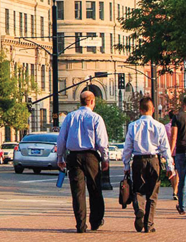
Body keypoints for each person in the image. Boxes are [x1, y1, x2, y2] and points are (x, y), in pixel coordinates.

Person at [57, 91, 110, 233]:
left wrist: (60, 157)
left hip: (73, 157)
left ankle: (80, 224)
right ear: (92, 102)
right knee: (95, 189)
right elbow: (102, 142)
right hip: (91, 156)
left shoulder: (70, 117)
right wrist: (105, 159)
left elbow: (61, 138)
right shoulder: (96, 118)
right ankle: (96, 221)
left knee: (77, 191)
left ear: (79, 101)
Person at [123, 97, 175, 233]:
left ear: (140, 110)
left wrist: (126, 165)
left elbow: (127, 147)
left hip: (138, 160)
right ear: (152, 109)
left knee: (138, 189)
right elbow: (165, 148)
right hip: (153, 160)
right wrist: (170, 166)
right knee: (152, 194)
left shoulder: (133, 126)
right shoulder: (159, 126)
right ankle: (149, 224)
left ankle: (139, 209)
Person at [164, 110, 179, 201]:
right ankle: (175, 190)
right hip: (178, 151)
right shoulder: (179, 127)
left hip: (169, 152)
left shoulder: (165, 127)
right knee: (177, 172)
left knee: (171, 171)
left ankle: (174, 189)